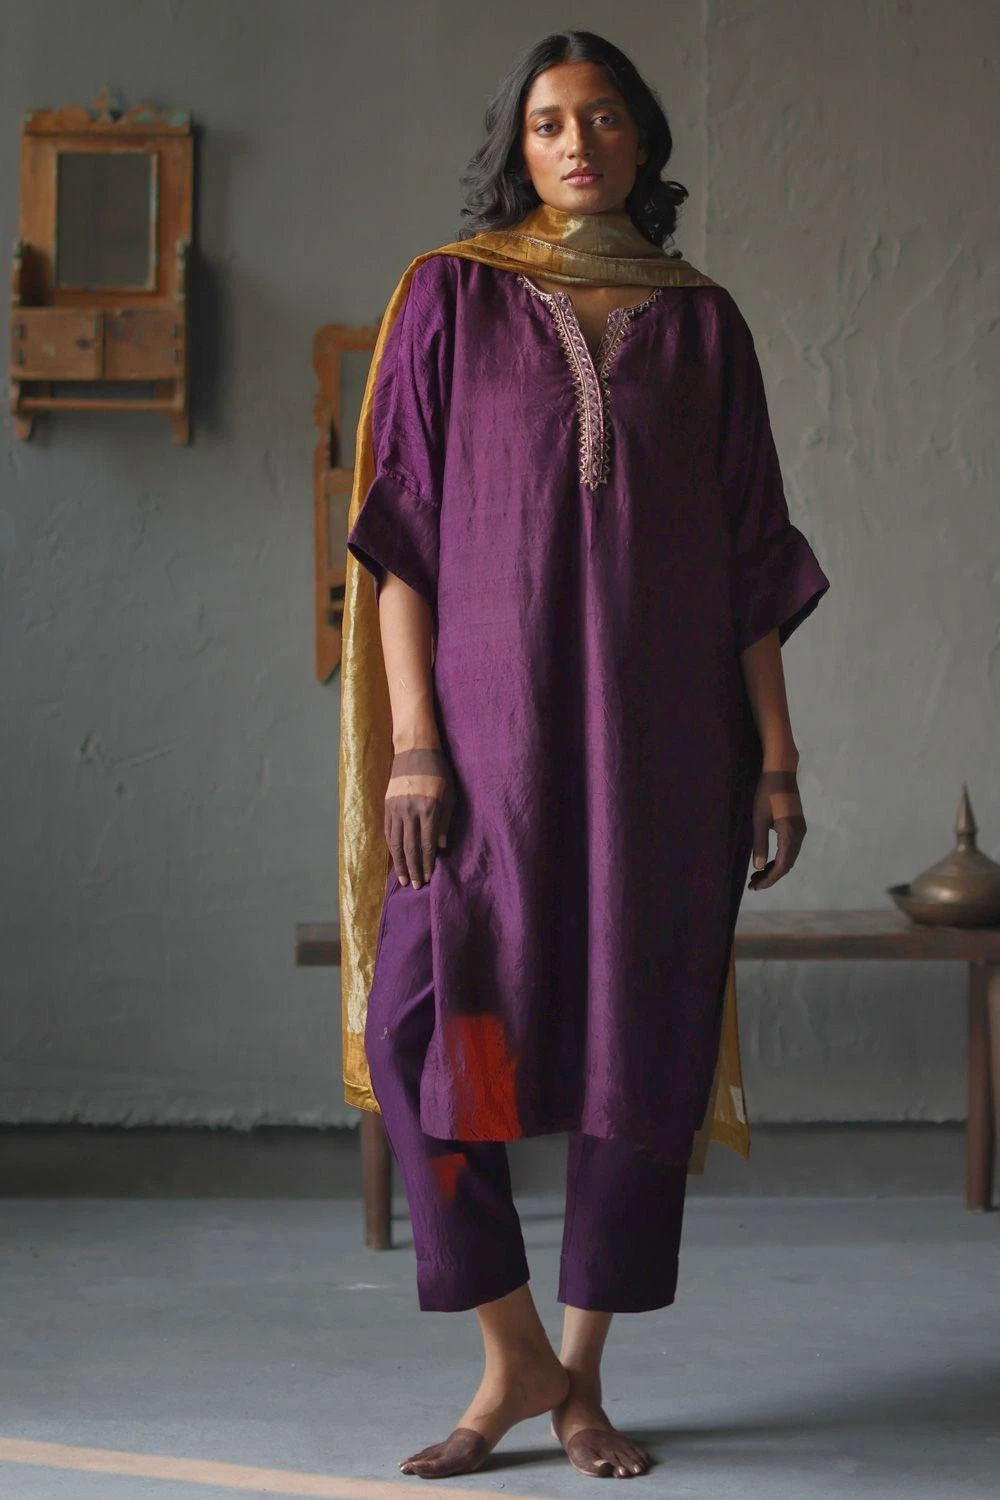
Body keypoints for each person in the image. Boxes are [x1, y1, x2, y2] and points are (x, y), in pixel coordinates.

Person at [339, 29, 830, 1482]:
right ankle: (515, 1356)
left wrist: (778, 759)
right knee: (432, 1035)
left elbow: (753, 557)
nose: (577, 141)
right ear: (520, 143)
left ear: (643, 140)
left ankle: (584, 1380)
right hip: (487, 755)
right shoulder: (450, 294)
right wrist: (415, 745)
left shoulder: (705, 324)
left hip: (670, 754)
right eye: (551, 120)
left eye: (604, 117)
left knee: (639, 1048)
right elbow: (400, 539)